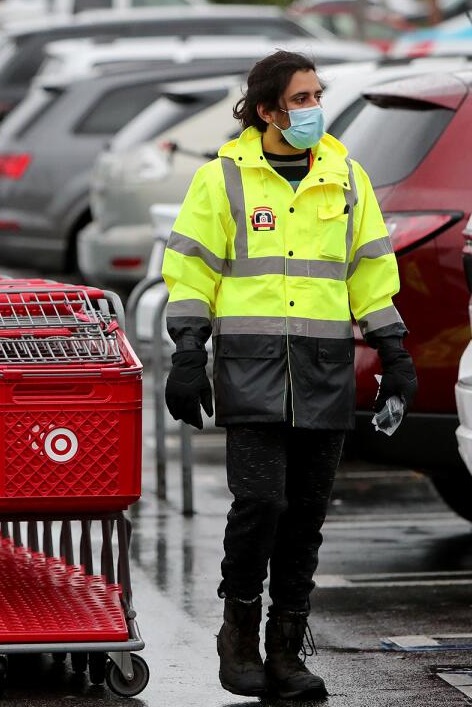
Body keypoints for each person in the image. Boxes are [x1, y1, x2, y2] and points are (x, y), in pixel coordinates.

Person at [161, 50, 417, 699]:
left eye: (316, 95)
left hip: (324, 372)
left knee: (304, 518)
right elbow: (191, 270)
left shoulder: (345, 178)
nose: (313, 108)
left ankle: (286, 651)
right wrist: (188, 351)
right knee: (260, 505)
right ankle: (238, 634)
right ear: (268, 109)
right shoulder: (223, 180)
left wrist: (394, 353)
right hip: (251, 370)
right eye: (300, 99)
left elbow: (371, 274)